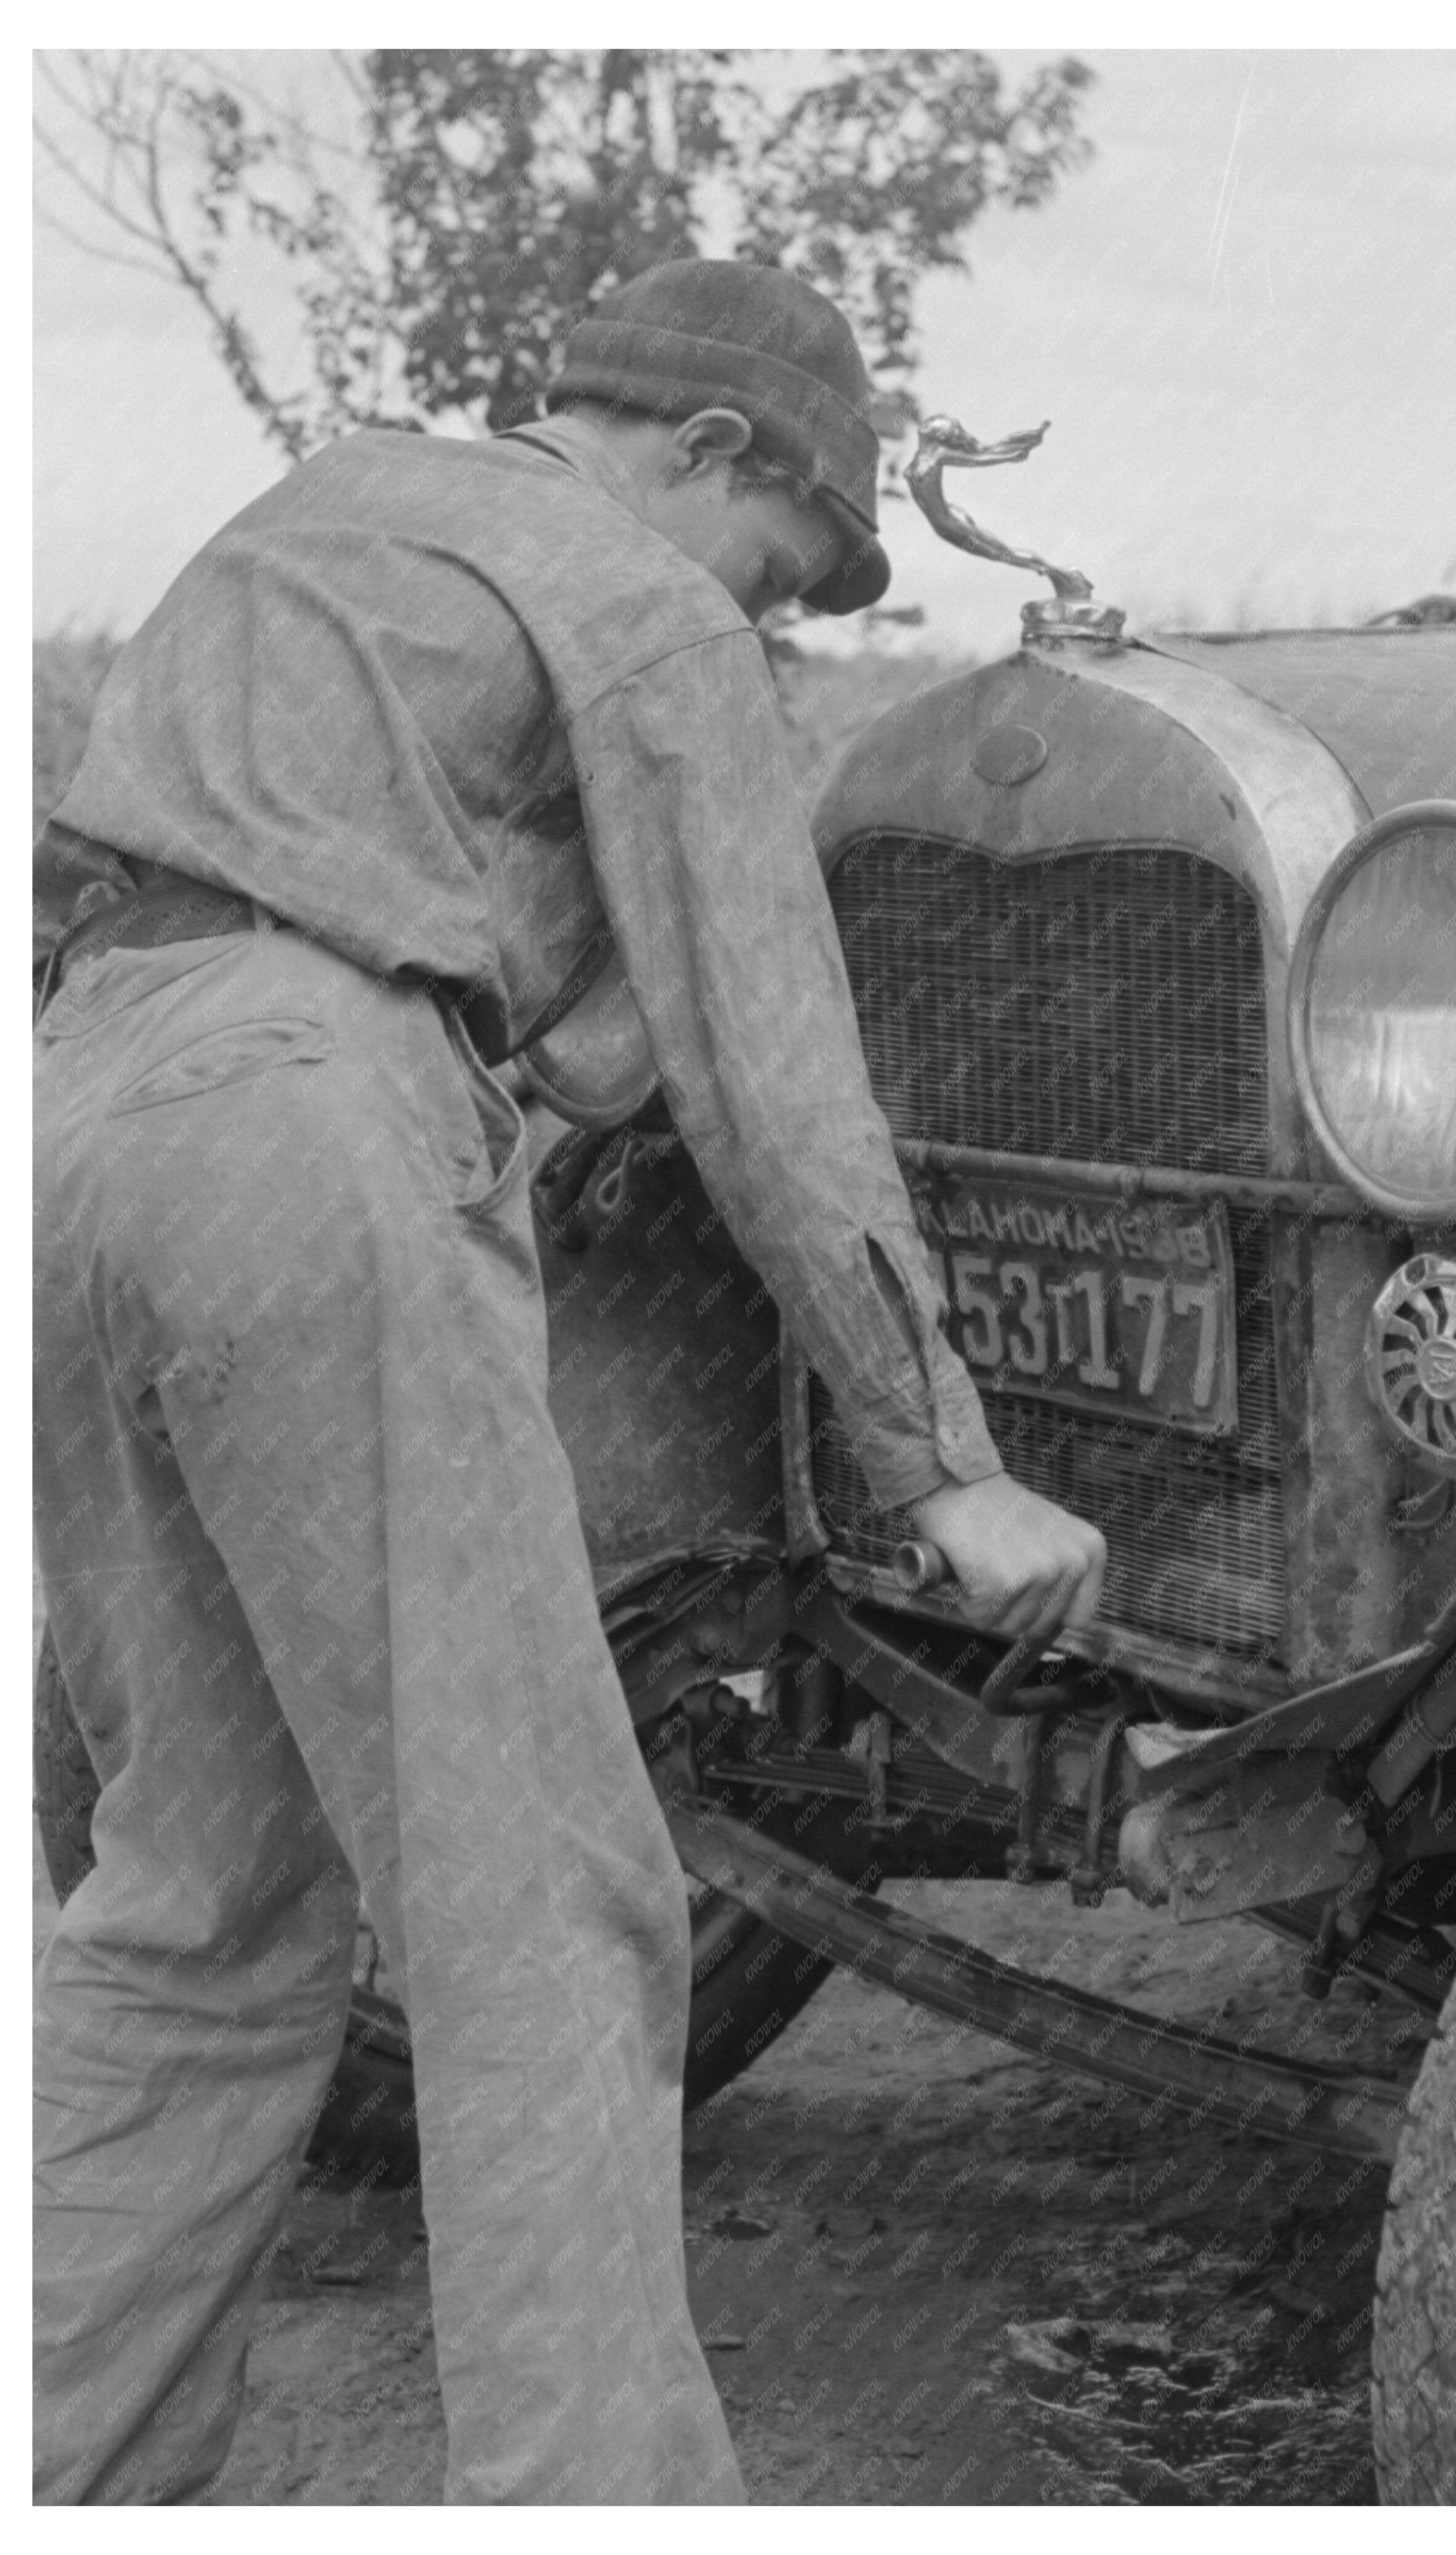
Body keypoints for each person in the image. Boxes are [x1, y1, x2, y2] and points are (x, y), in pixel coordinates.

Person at [32, 259, 1107, 2505]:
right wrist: (949, 1467)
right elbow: (770, 1083)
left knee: (197, 1899)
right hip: (317, 1136)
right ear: (713, 458)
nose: (776, 618)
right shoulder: (645, 603)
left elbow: (526, 988)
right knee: (548, 1916)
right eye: (788, 572)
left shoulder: (340, 501)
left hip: (81, 1119)